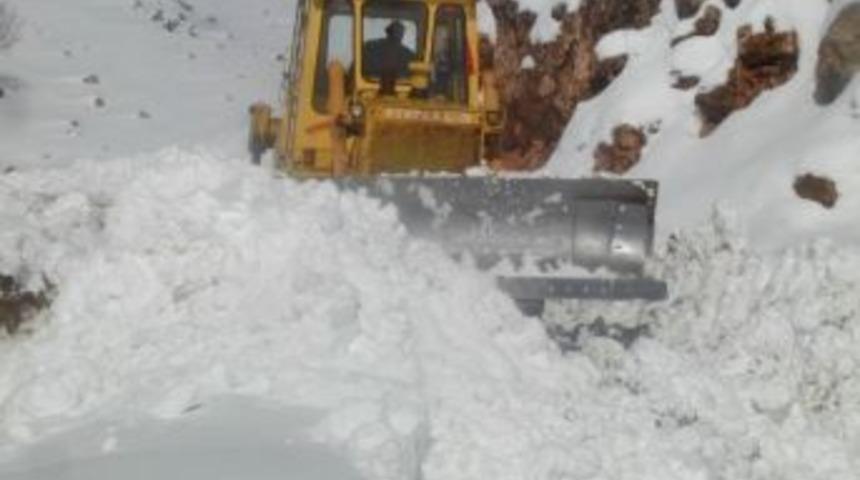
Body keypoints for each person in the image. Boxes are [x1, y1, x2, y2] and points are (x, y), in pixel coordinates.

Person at [362, 20, 415, 94]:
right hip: (369, 91)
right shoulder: (370, 48)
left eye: (399, 33)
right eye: (395, 33)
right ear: (388, 33)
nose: (397, 36)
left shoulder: (408, 55)